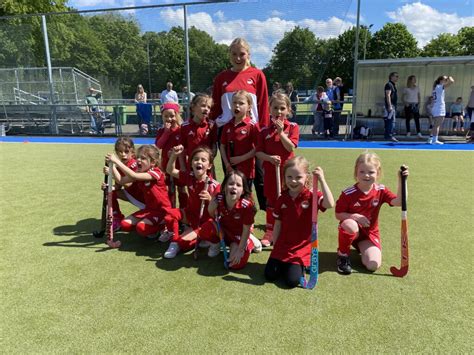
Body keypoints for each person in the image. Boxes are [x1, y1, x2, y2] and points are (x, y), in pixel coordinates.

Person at [210, 37, 269, 211]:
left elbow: (263, 105)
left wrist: (264, 131)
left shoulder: (257, 75)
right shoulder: (222, 78)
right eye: (234, 54)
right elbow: (215, 107)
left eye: (241, 54)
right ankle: (235, 213)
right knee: (232, 176)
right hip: (227, 133)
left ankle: (269, 218)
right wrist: (214, 131)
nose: (237, 58)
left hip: (252, 133)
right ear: (229, 54)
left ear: (248, 54)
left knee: (259, 176)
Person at [264, 156, 334, 288]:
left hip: (301, 247)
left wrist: (322, 180)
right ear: (284, 177)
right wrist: (275, 246)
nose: (293, 181)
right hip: (283, 245)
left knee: (291, 281)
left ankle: (299, 266)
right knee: (269, 275)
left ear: (306, 177)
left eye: (298, 177)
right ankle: (286, 264)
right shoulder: (282, 198)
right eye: (289, 177)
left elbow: (330, 204)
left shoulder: (312, 195)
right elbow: (277, 224)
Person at [335, 152, 409, 275]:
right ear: (356, 172)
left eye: (371, 172)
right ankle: (343, 256)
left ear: (378, 173)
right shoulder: (348, 193)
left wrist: (402, 181)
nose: (366, 175)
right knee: (350, 224)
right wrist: (354, 216)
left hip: (369, 234)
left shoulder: (380, 190)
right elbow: (338, 214)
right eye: (362, 172)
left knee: (372, 265)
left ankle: (362, 248)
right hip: (352, 230)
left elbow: (399, 202)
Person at [106, 145, 178, 240]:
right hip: (149, 209)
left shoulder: (156, 173)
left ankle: (164, 226)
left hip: (162, 211)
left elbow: (134, 175)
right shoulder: (140, 173)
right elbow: (121, 181)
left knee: (141, 228)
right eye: (137, 157)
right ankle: (152, 226)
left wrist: (117, 161)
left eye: (143, 158)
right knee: (125, 225)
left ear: (152, 162)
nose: (138, 160)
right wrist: (112, 168)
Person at [256, 92, 299, 247]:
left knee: (289, 200)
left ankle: (287, 229)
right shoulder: (264, 131)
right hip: (270, 173)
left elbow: (291, 146)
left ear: (288, 110)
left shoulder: (293, 127)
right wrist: (269, 158)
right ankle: (270, 231)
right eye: (275, 108)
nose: (279, 112)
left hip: (289, 174)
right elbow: (258, 152)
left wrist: (281, 133)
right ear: (270, 110)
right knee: (271, 202)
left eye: (282, 108)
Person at [195, 170, 262, 270]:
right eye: (231, 184)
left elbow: (246, 229)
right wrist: (212, 206)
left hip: (238, 235)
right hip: (223, 231)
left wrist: (240, 250)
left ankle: (249, 241)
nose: (234, 187)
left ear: (243, 190)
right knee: (205, 229)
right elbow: (212, 215)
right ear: (225, 187)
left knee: (235, 264)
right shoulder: (219, 198)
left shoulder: (246, 206)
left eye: (238, 185)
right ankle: (216, 244)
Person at [164, 145, 221, 258]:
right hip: (191, 216)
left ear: (209, 166)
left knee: (184, 243)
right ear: (191, 163)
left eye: (203, 160)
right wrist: (174, 155)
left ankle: (207, 239)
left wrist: (210, 199)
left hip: (205, 222)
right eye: (196, 159)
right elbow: (170, 170)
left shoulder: (214, 185)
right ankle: (174, 242)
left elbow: (219, 211)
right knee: (170, 215)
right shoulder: (189, 177)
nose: (199, 162)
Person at [219, 90, 259, 190]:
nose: (237, 106)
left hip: (246, 171)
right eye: (234, 103)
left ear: (249, 107)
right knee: (231, 195)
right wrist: (227, 164)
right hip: (230, 169)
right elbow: (222, 146)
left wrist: (241, 158)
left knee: (245, 197)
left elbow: (258, 148)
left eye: (241, 103)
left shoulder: (252, 126)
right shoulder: (227, 126)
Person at [103, 137, 145, 231]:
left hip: (144, 199)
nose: (123, 155)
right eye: (120, 152)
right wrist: (108, 187)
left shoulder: (135, 164)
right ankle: (116, 217)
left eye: (126, 152)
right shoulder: (119, 167)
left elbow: (128, 184)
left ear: (133, 151)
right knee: (109, 191)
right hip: (133, 195)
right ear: (116, 152)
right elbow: (118, 186)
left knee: (139, 228)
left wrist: (112, 172)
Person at [155, 102, 187, 210]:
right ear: (162, 117)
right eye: (166, 116)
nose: (169, 118)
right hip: (166, 165)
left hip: (179, 165)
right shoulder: (161, 131)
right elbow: (158, 145)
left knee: (182, 189)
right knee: (169, 189)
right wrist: (166, 132)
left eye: (172, 115)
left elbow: (184, 147)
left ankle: (183, 211)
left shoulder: (181, 130)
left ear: (177, 115)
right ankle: (170, 211)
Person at [180, 94, 218, 169]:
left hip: (206, 166)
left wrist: (209, 161)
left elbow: (214, 146)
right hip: (191, 166)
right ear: (193, 107)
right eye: (203, 105)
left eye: (209, 107)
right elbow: (182, 150)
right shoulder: (185, 126)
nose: (206, 109)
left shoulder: (212, 125)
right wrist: (183, 167)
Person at [428, 75, 455, 145]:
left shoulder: (436, 87)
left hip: (436, 106)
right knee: (437, 124)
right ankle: (435, 140)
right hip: (439, 107)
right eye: (445, 80)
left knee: (436, 124)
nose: (446, 81)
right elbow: (452, 81)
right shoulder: (439, 87)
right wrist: (449, 77)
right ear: (441, 80)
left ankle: (431, 138)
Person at [383, 72, 399, 142]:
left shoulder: (393, 85)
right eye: (396, 76)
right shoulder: (389, 85)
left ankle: (388, 135)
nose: (397, 78)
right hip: (391, 105)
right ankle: (389, 135)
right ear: (391, 77)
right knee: (391, 121)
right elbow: (388, 95)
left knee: (391, 121)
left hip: (393, 105)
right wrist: (389, 106)